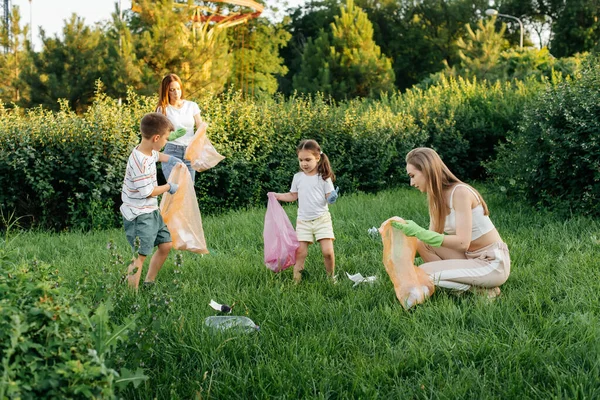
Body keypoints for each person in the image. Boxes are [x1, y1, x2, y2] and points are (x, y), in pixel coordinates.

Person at [391, 147, 510, 299]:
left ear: (427, 170)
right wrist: (400, 252)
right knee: (422, 244)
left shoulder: (460, 192)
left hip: (491, 263)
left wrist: (419, 231)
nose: (411, 182)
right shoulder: (436, 200)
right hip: (469, 258)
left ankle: (482, 290)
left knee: (422, 272)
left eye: (413, 175)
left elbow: (462, 243)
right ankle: (471, 284)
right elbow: (429, 241)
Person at [120, 112, 183, 290]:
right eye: (165, 139)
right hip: (139, 215)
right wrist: (168, 187)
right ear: (156, 138)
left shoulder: (148, 151)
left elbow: (158, 156)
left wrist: (172, 159)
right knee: (140, 255)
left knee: (166, 244)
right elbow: (148, 191)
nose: (165, 143)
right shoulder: (139, 162)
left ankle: (149, 282)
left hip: (151, 211)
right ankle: (131, 296)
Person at [273, 139, 339, 283]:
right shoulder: (298, 177)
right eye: (301, 160)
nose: (304, 163)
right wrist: (277, 196)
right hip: (303, 221)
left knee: (327, 252)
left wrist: (331, 198)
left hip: (322, 219)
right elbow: (293, 195)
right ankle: (296, 281)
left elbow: (329, 197)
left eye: (308, 159)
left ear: (318, 158)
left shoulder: (323, 178)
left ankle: (331, 277)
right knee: (300, 253)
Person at [156, 73, 202, 181]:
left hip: (189, 152)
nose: (176, 93)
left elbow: (199, 125)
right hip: (172, 152)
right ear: (166, 91)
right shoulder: (163, 109)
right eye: (172, 90)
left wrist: (199, 138)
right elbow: (159, 133)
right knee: (175, 189)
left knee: (188, 190)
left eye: (178, 88)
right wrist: (170, 136)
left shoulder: (192, 106)